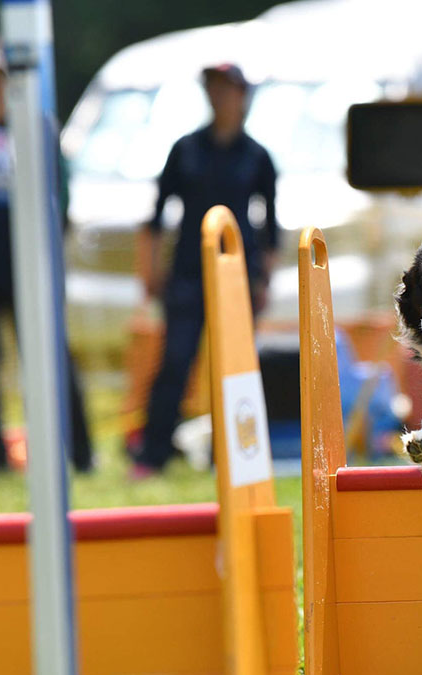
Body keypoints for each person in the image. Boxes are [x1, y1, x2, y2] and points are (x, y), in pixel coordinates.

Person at [0, 40, 92, 472]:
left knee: (50, 357)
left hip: (27, 264)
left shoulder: (36, 126)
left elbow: (60, 193)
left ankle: (79, 452)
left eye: (1, 78)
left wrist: (49, 247)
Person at [131, 63, 278, 477]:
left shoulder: (257, 156)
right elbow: (157, 214)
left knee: (237, 367)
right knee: (176, 361)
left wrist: (264, 277)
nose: (220, 97)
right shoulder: (185, 149)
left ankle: (233, 456)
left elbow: (269, 224)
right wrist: (149, 269)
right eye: (213, 88)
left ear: (243, 97)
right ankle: (152, 455)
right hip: (187, 273)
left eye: (228, 89)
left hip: (237, 274)